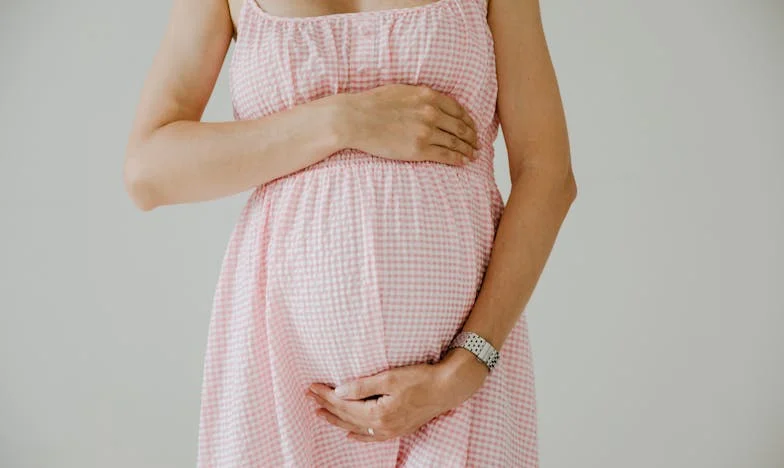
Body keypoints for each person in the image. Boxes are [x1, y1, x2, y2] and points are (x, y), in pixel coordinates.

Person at [123, 0, 576, 465]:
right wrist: (345, 120)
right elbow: (148, 171)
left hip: (460, 381)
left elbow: (547, 172)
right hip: (285, 375)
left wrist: (466, 366)